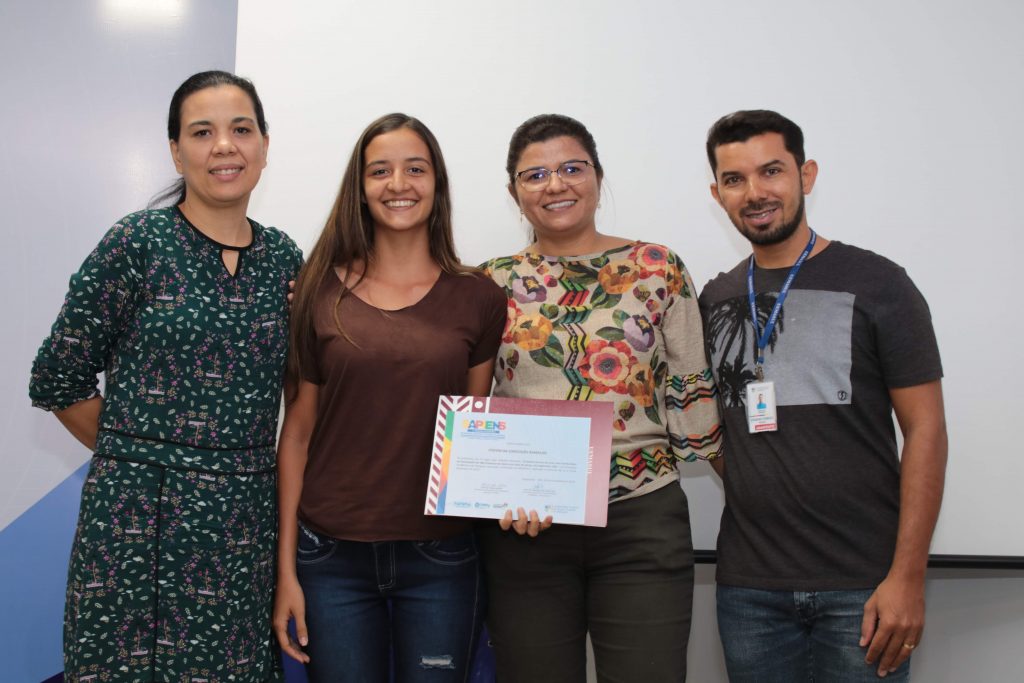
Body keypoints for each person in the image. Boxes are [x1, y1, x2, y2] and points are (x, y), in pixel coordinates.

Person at [29, 70, 302, 682]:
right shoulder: (136, 244)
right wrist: (142, 459)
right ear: (176, 151)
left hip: (243, 532)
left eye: (241, 129)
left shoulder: (287, 260)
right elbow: (56, 380)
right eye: (201, 132)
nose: (224, 146)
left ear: (264, 144)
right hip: (137, 533)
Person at [699, 110, 948, 681]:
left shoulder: (880, 284)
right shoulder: (715, 298)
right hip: (749, 590)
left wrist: (908, 575)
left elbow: (927, 431)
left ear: (805, 174)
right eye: (735, 180)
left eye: (772, 171)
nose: (755, 193)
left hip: (863, 585)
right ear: (717, 193)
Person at [478, 114, 723, 682]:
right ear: (514, 192)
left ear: (598, 176)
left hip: (641, 520)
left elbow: (693, 395)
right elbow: (472, 402)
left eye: (571, 168)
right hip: (527, 526)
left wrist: (757, 504)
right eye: (534, 174)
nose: (555, 184)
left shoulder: (656, 269)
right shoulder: (487, 282)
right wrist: (495, 491)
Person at [273, 113, 507, 682]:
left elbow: (471, 429)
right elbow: (298, 433)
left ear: (437, 183)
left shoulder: (478, 296)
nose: (398, 184)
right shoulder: (316, 290)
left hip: (442, 559)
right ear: (360, 187)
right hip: (330, 559)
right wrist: (285, 570)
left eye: (415, 169)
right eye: (380, 171)